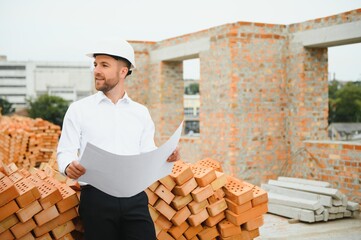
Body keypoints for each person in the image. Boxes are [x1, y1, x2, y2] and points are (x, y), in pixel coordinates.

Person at [57, 39, 180, 240]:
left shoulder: (140, 112)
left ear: (123, 71)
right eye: (95, 64)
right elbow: (65, 151)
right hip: (97, 198)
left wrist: (165, 155)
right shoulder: (79, 110)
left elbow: (147, 151)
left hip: (135, 197)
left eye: (104, 65)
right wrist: (69, 165)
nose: (96, 70)